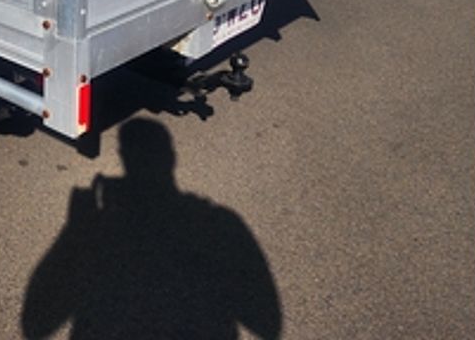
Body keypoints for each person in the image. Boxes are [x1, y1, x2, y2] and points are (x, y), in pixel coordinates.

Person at [22, 118, 283, 339]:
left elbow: (37, 324)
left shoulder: (104, 223)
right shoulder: (222, 222)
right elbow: (266, 323)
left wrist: (76, 226)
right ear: (171, 158)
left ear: (124, 158)